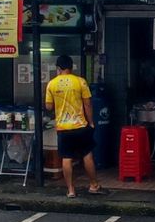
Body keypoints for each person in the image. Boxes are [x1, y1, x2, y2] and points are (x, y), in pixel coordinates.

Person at [45, 55, 108, 198]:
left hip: (63, 128)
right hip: (80, 125)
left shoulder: (52, 84)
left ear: (58, 68)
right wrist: (91, 122)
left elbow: (48, 107)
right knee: (87, 155)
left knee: (66, 158)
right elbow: (87, 104)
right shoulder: (80, 82)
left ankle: (71, 190)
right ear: (71, 67)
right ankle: (93, 185)